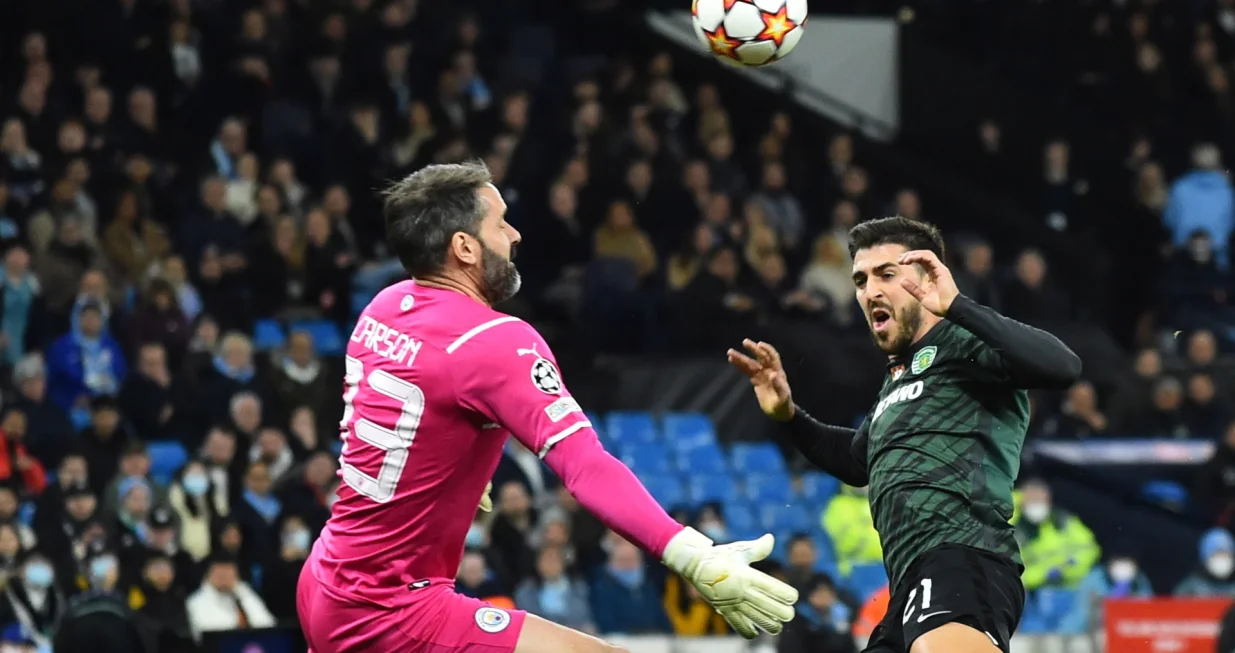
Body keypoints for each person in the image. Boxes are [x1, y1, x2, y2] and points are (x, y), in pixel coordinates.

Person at [296, 161, 797, 653]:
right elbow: (585, 468)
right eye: (500, 222)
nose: (514, 235)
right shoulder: (498, 341)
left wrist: (460, 468)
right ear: (464, 247)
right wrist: (692, 555)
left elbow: (389, 417)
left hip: (325, 577)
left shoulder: (383, 307)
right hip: (389, 610)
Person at [728, 216, 1081, 653]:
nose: (869, 290)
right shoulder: (899, 378)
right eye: (860, 279)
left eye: (886, 274)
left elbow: (1064, 367)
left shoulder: (966, 341)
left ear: (928, 278)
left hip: (963, 558)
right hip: (907, 585)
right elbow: (858, 462)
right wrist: (788, 415)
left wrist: (958, 306)